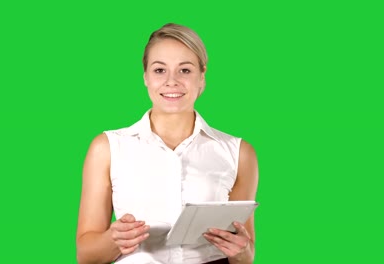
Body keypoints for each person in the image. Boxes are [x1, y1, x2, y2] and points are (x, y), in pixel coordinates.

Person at [76, 23, 259, 264]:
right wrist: (114, 239)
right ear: (145, 77)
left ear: (202, 76)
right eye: (160, 70)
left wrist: (242, 252)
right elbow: (85, 255)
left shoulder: (238, 152)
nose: (171, 81)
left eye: (185, 70)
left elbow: (246, 254)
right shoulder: (107, 148)